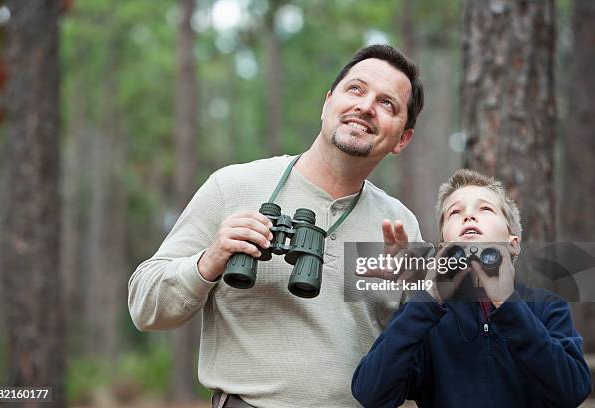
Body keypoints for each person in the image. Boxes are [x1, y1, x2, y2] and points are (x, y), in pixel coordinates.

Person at [128, 44, 425, 408]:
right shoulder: (233, 186)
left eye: (387, 104)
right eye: (356, 90)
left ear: (403, 138)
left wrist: (419, 294)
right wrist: (210, 260)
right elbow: (145, 305)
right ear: (327, 102)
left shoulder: (399, 225)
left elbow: (423, 356)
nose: (365, 107)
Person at [351, 169, 592, 408]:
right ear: (444, 244)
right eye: (455, 212)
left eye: (485, 209)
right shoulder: (424, 314)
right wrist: (427, 299)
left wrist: (508, 304)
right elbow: (371, 393)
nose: (468, 216)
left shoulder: (546, 307)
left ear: (513, 243)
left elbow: (572, 391)